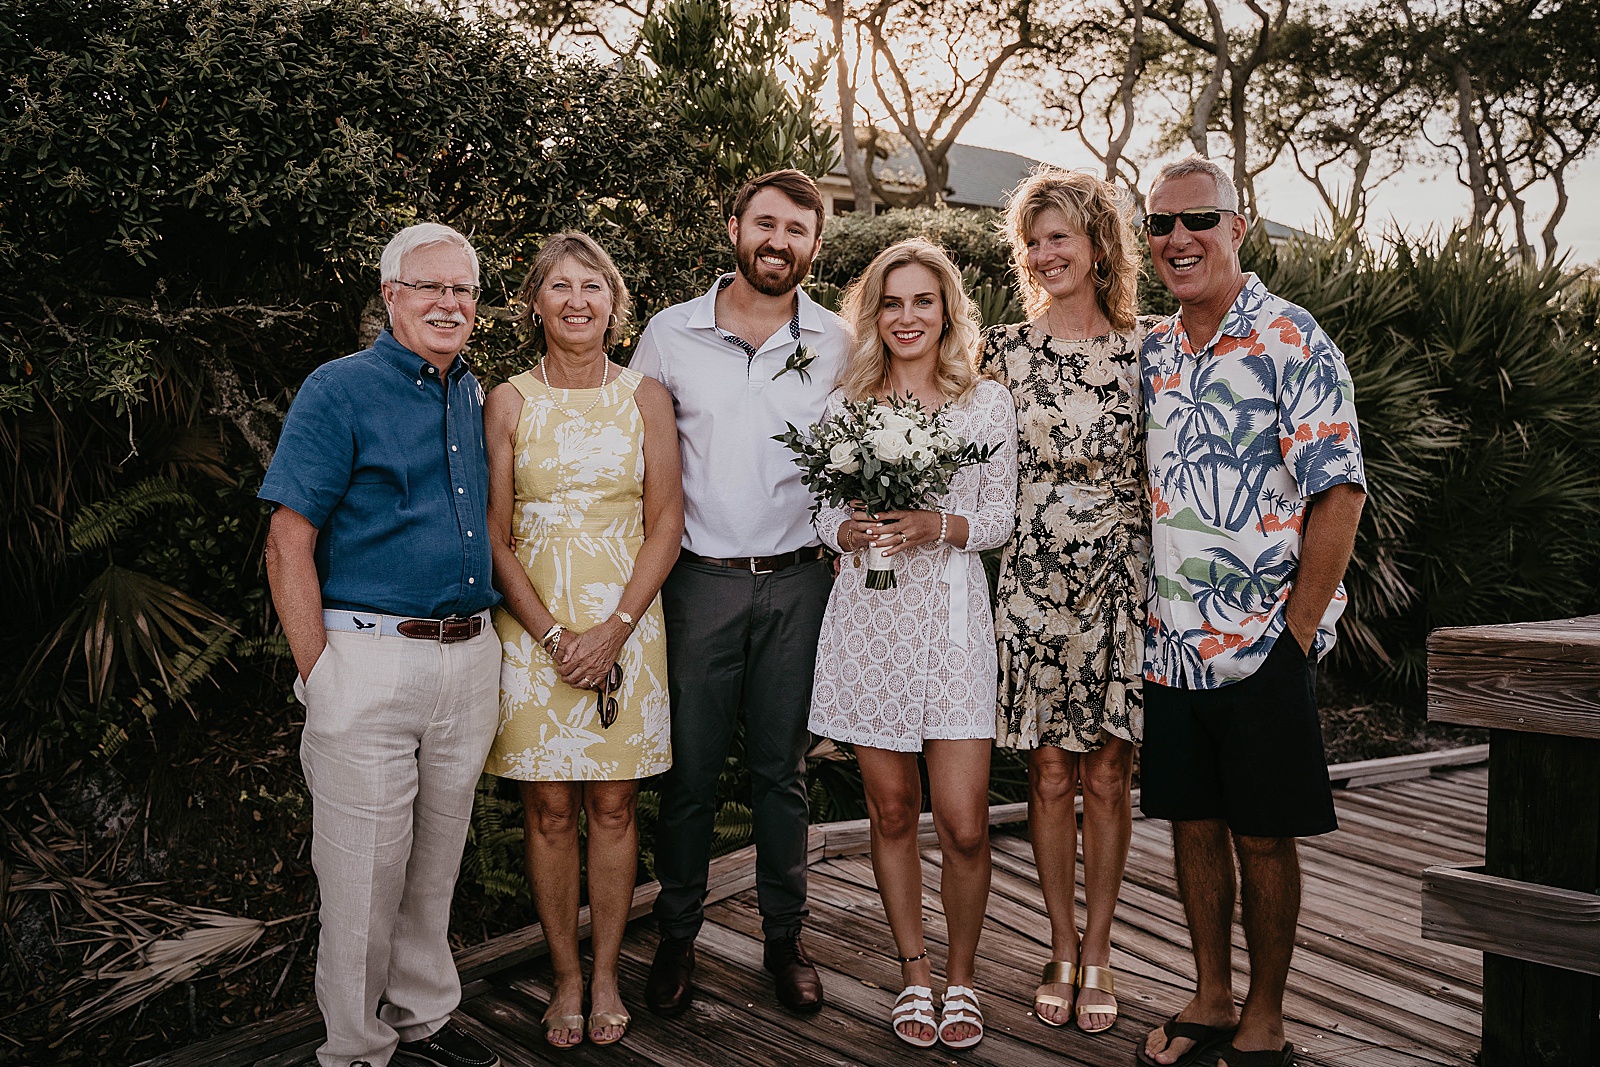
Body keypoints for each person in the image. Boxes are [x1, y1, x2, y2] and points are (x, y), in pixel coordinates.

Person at [1135, 156, 1367, 1067]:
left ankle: (1265, 1013)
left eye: (1197, 220)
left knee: (1264, 834)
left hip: (1266, 640)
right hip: (1172, 644)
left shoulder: (1294, 340)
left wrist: (1294, 639)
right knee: (1194, 823)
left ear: (1239, 227)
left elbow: (1338, 497)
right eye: (1160, 224)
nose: (1178, 239)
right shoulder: (1155, 351)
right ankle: (1210, 991)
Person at [261, 223, 503, 1067]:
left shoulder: (474, 393)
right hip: (367, 660)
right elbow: (287, 541)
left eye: (463, 290)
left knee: (434, 869)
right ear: (391, 296)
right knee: (362, 879)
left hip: (470, 660)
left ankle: (423, 1022)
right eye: (430, 287)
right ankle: (356, 1049)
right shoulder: (339, 390)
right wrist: (319, 673)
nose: (449, 303)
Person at [630, 169, 851, 1017]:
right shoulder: (669, 333)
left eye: (797, 230)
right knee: (687, 774)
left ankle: (785, 940)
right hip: (698, 585)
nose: (779, 241)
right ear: (733, 228)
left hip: (799, 582)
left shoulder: (836, 340)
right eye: (766, 223)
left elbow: (848, 460)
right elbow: (644, 464)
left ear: (814, 246)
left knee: (780, 774)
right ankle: (677, 936)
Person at [811, 239, 1018, 1048]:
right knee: (892, 809)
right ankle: (915, 972)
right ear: (874, 314)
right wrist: (848, 527)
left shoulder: (985, 404)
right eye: (891, 303)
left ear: (946, 311)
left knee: (965, 822)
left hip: (956, 625)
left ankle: (963, 979)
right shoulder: (844, 407)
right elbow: (819, 517)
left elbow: (998, 517)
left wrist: (938, 523)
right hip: (870, 618)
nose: (906, 317)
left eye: (922, 302)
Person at [481, 233, 683, 1049]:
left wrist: (613, 630)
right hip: (534, 629)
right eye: (559, 287)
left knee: (613, 801)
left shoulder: (647, 398)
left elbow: (666, 523)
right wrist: (555, 634)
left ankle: (606, 972)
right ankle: (565, 973)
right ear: (535, 302)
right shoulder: (508, 400)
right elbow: (494, 535)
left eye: (592, 286)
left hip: (628, 622)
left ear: (613, 300)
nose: (576, 300)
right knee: (551, 805)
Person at [981, 167, 1150, 1035]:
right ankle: (1057, 944)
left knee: (1110, 772)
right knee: (1048, 770)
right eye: (1034, 239)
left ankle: (1104, 945)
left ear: (1097, 246)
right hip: (1033, 572)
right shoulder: (1000, 351)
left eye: (1062, 237)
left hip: (1121, 572)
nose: (1047, 253)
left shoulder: (1147, 348)